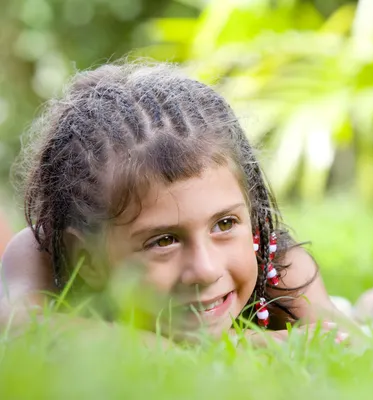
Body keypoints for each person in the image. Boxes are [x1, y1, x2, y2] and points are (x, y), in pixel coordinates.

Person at [0, 61, 350, 345]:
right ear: (87, 259)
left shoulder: (281, 266)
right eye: (164, 240)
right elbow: (23, 331)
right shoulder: (41, 253)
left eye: (225, 224)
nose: (206, 269)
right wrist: (249, 345)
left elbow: (348, 344)